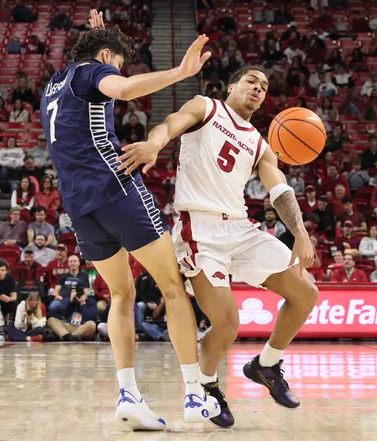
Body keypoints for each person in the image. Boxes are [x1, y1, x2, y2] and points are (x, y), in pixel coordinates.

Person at [39, 10, 219, 429]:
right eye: (115, 60)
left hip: (79, 208)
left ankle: (128, 395)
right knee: (173, 288)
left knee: (121, 295)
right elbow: (122, 88)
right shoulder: (95, 71)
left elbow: (91, 74)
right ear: (104, 56)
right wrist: (180, 71)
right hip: (116, 189)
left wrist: (100, 36)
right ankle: (194, 394)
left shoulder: (53, 83)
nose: (114, 69)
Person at [119, 66, 319, 428]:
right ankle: (208, 386)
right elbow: (170, 123)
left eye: (264, 86)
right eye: (250, 82)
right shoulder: (206, 107)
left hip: (241, 228)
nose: (257, 89)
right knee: (227, 326)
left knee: (306, 292)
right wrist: (154, 143)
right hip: (200, 229)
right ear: (232, 85)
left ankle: (267, 365)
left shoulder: (260, 142)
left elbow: (280, 190)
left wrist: (300, 233)